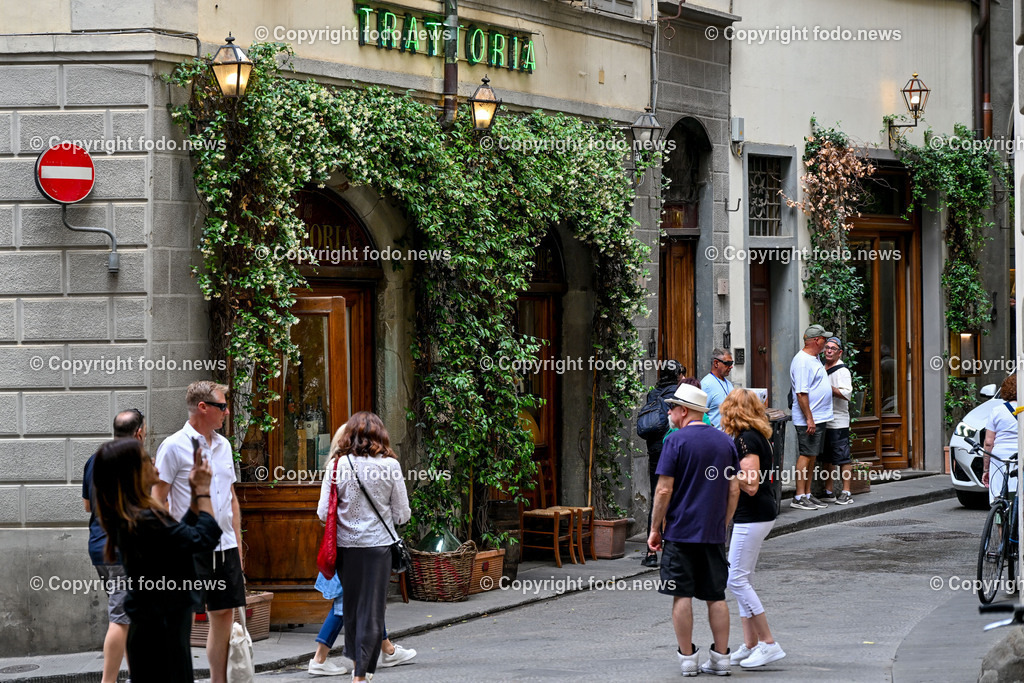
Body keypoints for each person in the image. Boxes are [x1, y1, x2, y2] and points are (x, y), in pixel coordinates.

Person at [92, 437, 221, 682]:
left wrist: (194, 497)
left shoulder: (138, 516)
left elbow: (180, 541)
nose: (154, 462)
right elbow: (204, 539)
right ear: (132, 474)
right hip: (161, 631)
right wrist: (204, 491)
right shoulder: (143, 519)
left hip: (159, 628)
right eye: (145, 460)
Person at [152, 381, 244, 683]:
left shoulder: (224, 445)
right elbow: (157, 499)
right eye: (222, 406)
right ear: (203, 408)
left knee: (224, 619)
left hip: (224, 546)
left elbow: (230, 496)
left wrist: (238, 548)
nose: (227, 411)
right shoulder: (174, 446)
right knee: (181, 620)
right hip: (188, 549)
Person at [309, 424, 416, 676]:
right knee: (360, 608)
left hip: (344, 548)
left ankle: (379, 654)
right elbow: (402, 515)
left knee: (357, 607)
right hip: (376, 547)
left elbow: (323, 512)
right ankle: (353, 670)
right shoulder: (389, 466)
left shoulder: (336, 466)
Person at [649, 383, 740, 676]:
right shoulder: (725, 442)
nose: (668, 412)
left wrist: (654, 528)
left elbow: (664, 490)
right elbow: (734, 489)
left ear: (684, 411)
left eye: (671, 407)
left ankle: (688, 659)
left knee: (682, 595)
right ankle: (722, 658)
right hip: (712, 533)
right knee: (716, 595)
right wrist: (723, 523)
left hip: (679, 532)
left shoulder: (674, 442)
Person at [720, 389, 786, 669]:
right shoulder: (759, 436)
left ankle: (769, 643)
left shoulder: (746, 439)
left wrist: (723, 473)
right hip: (759, 513)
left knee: (736, 580)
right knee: (740, 578)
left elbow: (750, 483)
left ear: (734, 411)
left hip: (753, 514)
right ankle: (750, 644)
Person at [81, 409, 146, 683]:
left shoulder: (94, 460)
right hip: (123, 550)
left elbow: (87, 505)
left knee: (126, 615)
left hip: (99, 547)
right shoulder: (135, 461)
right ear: (139, 433)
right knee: (120, 619)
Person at [639, 359, 686, 567]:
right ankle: (673, 549)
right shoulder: (679, 393)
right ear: (677, 375)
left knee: (657, 497)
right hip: (673, 448)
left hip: (654, 451)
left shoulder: (653, 393)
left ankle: (650, 553)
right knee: (675, 497)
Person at [790, 325, 833, 511]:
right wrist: (809, 418)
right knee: (806, 455)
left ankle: (807, 494)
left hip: (817, 416)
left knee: (812, 455)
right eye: (824, 339)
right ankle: (799, 496)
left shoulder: (814, 358)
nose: (826, 342)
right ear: (817, 340)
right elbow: (801, 393)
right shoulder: (802, 361)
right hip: (809, 418)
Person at [820, 338, 855, 505]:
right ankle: (829, 491)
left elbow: (847, 394)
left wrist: (828, 388)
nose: (828, 351)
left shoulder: (842, 371)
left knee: (842, 458)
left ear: (839, 352)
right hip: (823, 419)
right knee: (826, 458)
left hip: (838, 421)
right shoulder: (821, 367)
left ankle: (847, 491)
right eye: (827, 347)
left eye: (833, 349)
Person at [983, 374, 1019, 505]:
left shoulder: (996, 411)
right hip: (1020, 456)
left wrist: (986, 469)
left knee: (999, 496)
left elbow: (988, 442)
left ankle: (1000, 523)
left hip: (999, 458)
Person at [701, 348, 735, 429]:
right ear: (716, 363)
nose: (731, 366)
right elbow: (700, 415)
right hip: (715, 438)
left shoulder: (729, 384)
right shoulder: (706, 385)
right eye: (728, 363)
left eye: (732, 363)